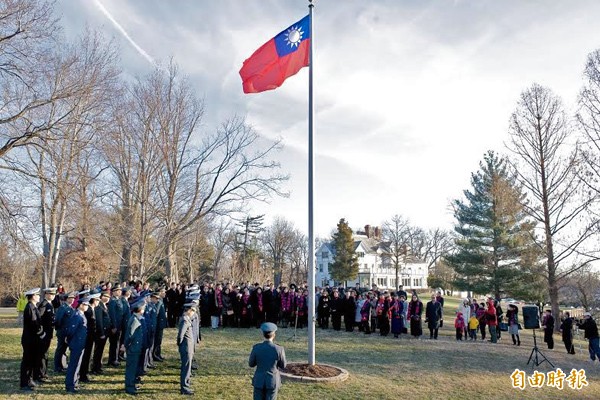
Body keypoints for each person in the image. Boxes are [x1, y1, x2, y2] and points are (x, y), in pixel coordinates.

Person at [249, 322, 287, 400]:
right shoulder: (279, 349)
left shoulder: (256, 348)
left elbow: (251, 364)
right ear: (274, 335)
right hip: (272, 381)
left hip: (259, 380)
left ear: (263, 334)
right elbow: (283, 365)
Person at [20, 288, 45, 391]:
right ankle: (24, 383)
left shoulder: (33, 306)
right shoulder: (30, 307)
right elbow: (34, 324)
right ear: (33, 296)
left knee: (31, 361)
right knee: (27, 361)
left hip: (33, 339)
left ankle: (29, 380)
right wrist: (42, 333)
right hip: (30, 339)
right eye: (37, 295)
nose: (39, 297)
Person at [65, 297, 90, 393]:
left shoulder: (81, 315)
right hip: (76, 343)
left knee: (77, 364)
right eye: (86, 305)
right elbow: (71, 331)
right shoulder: (77, 316)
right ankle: (70, 385)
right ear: (81, 305)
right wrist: (71, 341)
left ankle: (74, 382)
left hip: (80, 343)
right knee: (73, 364)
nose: (87, 307)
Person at [124, 298, 146, 395]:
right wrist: (125, 346)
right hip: (133, 348)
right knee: (131, 369)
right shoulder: (134, 320)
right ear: (140, 309)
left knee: (134, 367)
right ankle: (129, 387)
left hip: (136, 348)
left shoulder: (137, 318)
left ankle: (132, 385)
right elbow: (129, 335)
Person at [36, 287, 57, 382]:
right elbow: (38, 320)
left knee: (45, 354)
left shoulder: (50, 304)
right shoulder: (43, 305)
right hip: (44, 334)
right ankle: (40, 375)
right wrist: (42, 333)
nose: (53, 296)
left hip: (48, 334)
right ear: (46, 294)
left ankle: (43, 373)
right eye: (51, 294)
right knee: (42, 355)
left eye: (54, 294)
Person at [54, 291, 76, 373]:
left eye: (73, 298)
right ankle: (57, 366)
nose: (72, 300)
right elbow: (58, 320)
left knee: (64, 349)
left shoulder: (71, 308)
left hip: (68, 332)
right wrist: (61, 331)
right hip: (63, 332)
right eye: (70, 298)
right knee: (60, 349)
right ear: (66, 299)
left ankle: (63, 365)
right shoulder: (63, 308)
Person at [177, 302, 196, 395]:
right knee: (186, 367)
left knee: (188, 367)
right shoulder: (185, 320)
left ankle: (186, 382)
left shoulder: (187, 319)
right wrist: (181, 345)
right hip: (186, 347)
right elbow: (180, 335)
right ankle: (184, 387)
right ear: (189, 311)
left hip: (188, 347)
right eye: (192, 311)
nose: (193, 313)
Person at [92, 290, 111, 374]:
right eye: (105, 296)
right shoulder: (99, 306)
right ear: (101, 297)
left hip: (105, 331)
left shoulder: (104, 305)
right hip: (101, 333)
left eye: (108, 297)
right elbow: (99, 321)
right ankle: (95, 367)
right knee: (98, 350)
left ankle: (98, 366)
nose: (107, 298)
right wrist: (101, 333)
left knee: (101, 350)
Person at [107, 284, 124, 367]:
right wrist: (114, 326)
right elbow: (112, 314)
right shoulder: (112, 301)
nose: (120, 292)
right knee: (114, 343)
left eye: (120, 291)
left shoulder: (119, 300)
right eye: (118, 290)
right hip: (115, 325)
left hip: (119, 324)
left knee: (116, 343)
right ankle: (113, 359)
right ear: (113, 292)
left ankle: (114, 358)